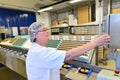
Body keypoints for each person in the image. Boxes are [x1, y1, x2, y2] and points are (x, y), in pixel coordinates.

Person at [26, 22, 111, 80]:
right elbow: (68, 55)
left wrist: (79, 52)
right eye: (43, 30)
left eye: (47, 29)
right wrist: (96, 42)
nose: (47, 31)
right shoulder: (40, 52)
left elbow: (58, 58)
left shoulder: (38, 49)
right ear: (35, 35)